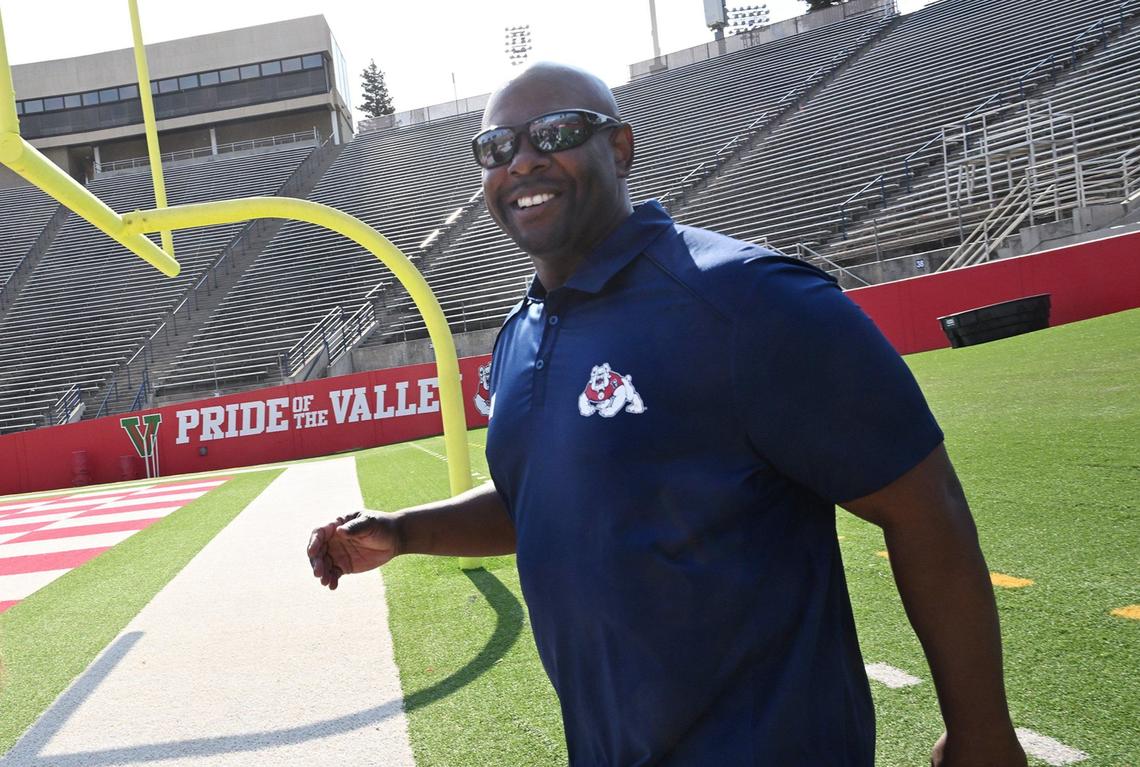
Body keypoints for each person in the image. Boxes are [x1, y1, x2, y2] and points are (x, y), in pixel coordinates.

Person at [308, 62, 1027, 767]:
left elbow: (925, 506)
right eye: (497, 148)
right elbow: (553, 498)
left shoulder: (748, 300)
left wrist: (982, 733)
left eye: (554, 133)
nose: (522, 161)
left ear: (619, 148)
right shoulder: (520, 334)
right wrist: (404, 532)